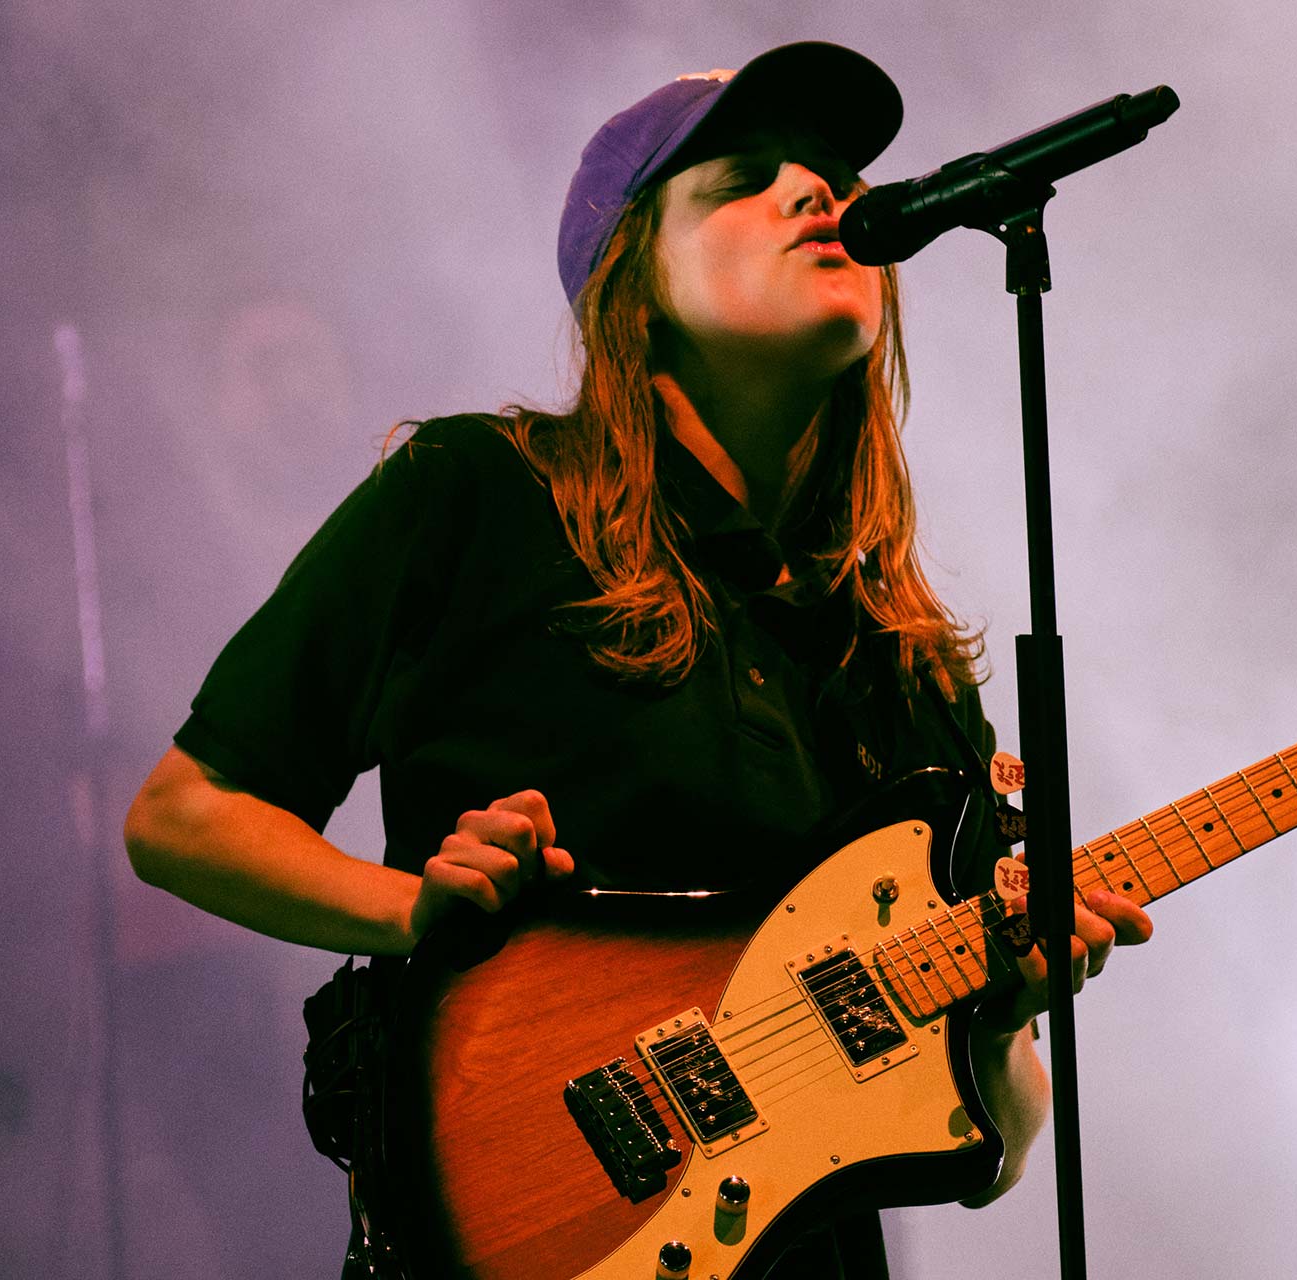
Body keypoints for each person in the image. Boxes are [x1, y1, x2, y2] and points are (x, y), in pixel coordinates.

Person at [123, 41, 1151, 1279]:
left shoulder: (908, 667)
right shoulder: (478, 499)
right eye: (745, 180)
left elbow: (994, 1151)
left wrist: (1003, 1013)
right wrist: (414, 913)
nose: (818, 191)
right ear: (634, 277)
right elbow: (183, 815)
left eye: (828, 172)